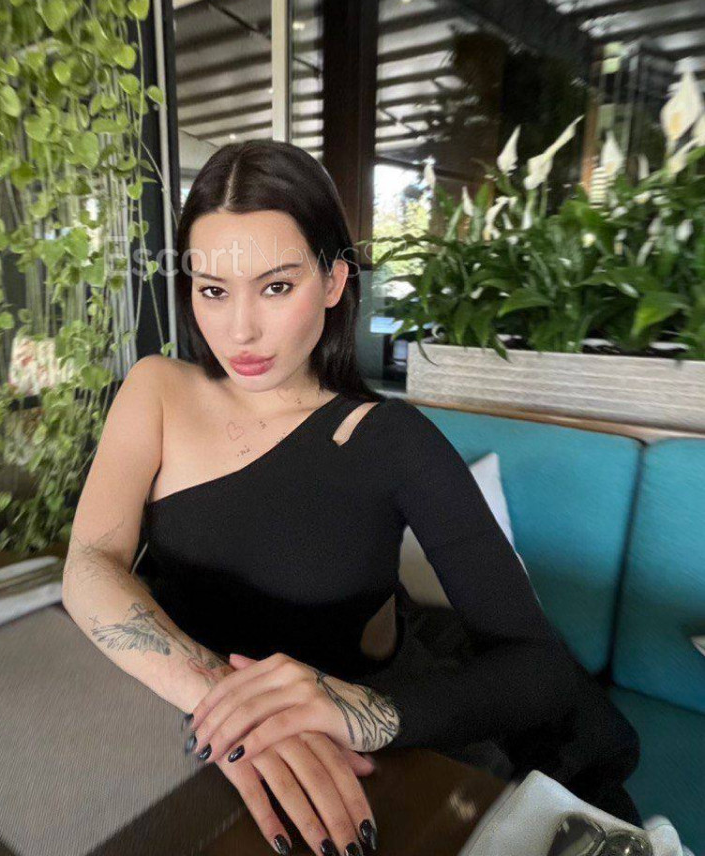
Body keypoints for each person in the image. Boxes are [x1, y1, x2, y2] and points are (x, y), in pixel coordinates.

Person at [63, 139, 642, 856]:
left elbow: (540, 668)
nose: (240, 329)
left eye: (276, 287)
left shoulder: (389, 439)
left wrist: (357, 713)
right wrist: (228, 704)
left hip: (359, 763)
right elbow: (91, 561)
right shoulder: (157, 388)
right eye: (213, 290)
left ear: (334, 281)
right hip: (177, 723)